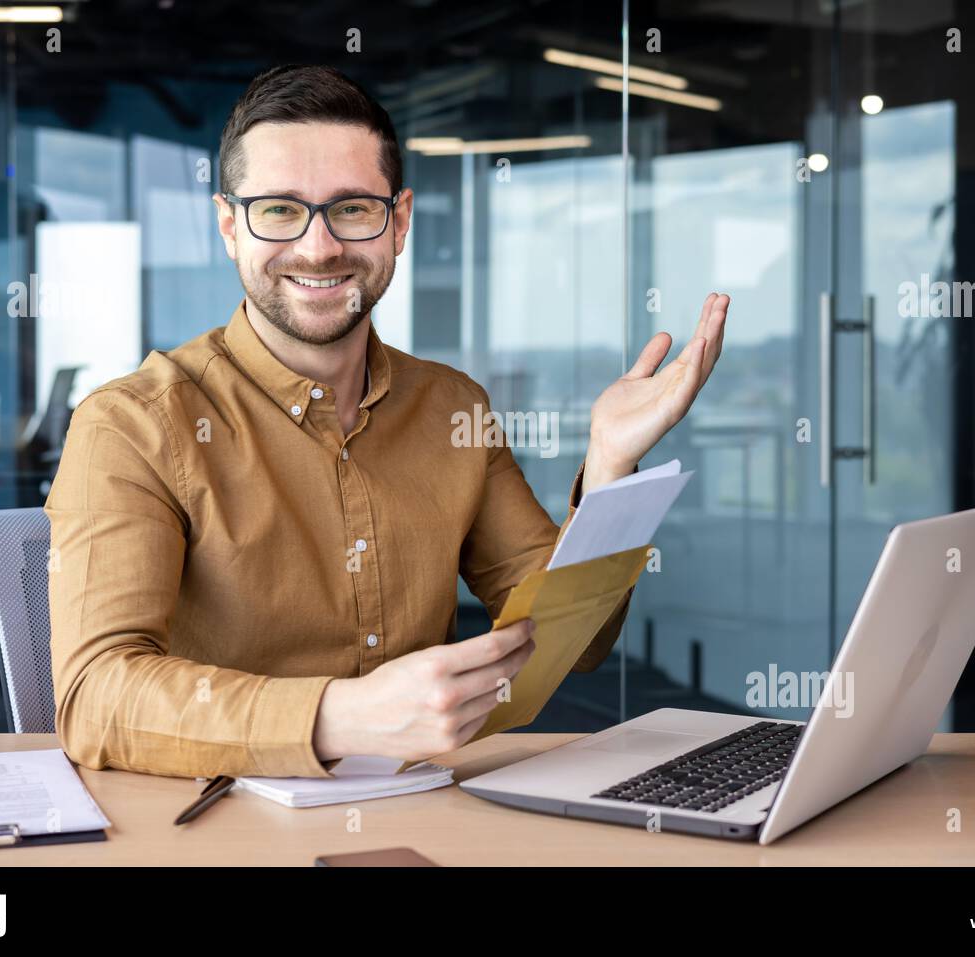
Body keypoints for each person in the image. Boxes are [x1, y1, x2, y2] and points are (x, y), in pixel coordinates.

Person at [45, 63, 729, 779]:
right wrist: (341, 715)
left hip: (422, 816)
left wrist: (611, 463)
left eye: (352, 208)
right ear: (229, 227)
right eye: (279, 209)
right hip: (214, 827)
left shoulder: (452, 409)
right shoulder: (132, 424)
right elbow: (94, 697)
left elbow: (573, 640)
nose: (318, 246)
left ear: (398, 222)